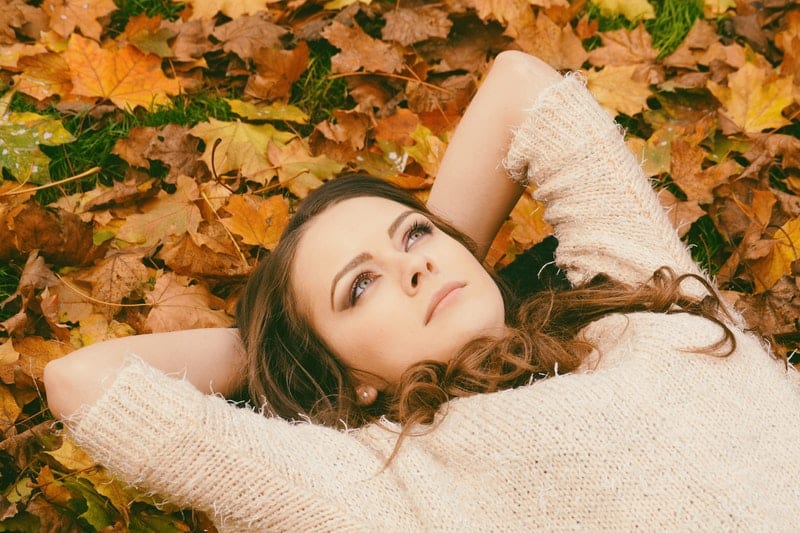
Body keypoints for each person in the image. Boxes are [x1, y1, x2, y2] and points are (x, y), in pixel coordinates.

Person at [43, 51, 800, 530]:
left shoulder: (633, 302)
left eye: (414, 236)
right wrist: (274, 351)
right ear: (344, 380)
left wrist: (444, 255)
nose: (414, 265)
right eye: (360, 286)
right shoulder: (381, 480)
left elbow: (518, 88)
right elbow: (82, 381)